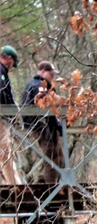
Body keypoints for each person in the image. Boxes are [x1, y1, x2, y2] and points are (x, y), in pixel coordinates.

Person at [21, 59, 63, 187]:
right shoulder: (38, 86)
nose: (53, 76)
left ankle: (41, 184)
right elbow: (45, 108)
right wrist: (58, 125)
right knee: (51, 156)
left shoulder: (40, 85)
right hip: (40, 125)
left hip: (45, 125)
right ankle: (49, 190)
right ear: (43, 71)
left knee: (57, 157)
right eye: (51, 73)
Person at [0, 44, 22, 185]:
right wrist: (11, 113)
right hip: (1, 116)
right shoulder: (1, 71)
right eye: (12, 63)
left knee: (4, 152)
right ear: (8, 58)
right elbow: (2, 92)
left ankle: (14, 185)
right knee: (5, 152)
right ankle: (15, 187)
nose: (12, 66)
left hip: (3, 116)